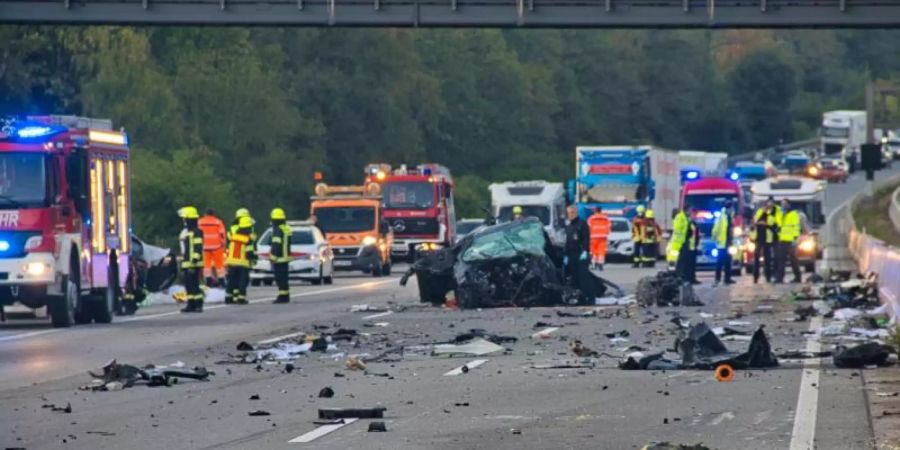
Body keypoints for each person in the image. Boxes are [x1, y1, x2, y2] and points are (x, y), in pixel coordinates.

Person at [177, 206, 205, 313]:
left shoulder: (196, 232)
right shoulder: (188, 232)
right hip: (187, 263)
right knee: (188, 286)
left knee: (194, 285)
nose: (183, 220)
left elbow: (198, 248)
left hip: (193, 264)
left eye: (184, 218)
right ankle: (191, 305)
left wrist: (194, 261)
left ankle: (198, 305)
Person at [564, 205, 594, 298]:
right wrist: (566, 255)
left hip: (581, 254)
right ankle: (577, 296)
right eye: (569, 213)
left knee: (583, 277)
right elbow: (568, 242)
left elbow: (586, 238)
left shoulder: (582, 224)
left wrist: (585, 250)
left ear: (576, 213)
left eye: (572, 213)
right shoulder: (569, 226)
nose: (571, 215)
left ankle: (588, 296)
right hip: (571, 255)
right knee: (574, 277)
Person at [225, 215, 255, 304]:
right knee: (242, 281)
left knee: (231, 281)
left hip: (231, 262)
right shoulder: (248, 239)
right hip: (242, 262)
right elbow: (249, 253)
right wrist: (253, 259)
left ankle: (228, 298)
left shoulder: (234, 236)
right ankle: (241, 298)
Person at [752, 197, 779, 283]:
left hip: (767, 239)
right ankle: (756, 276)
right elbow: (755, 221)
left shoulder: (774, 213)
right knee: (756, 259)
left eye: (771, 203)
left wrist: (765, 224)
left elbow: (773, 224)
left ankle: (768, 276)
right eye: (768, 203)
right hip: (758, 238)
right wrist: (762, 216)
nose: (769, 204)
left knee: (768, 259)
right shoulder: (760, 211)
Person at [775, 199, 802, 283]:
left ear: (789, 205)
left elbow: (796, 226)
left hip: (790, 240)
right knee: (781, 260)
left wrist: (795, 238)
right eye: (782, 204)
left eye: (785, 204)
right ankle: (780, 278)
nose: (783, 206)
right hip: (782, 240)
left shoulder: (793, 214)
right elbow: (779, 225)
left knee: (793, 260)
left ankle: (797, 277)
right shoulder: (781, 214)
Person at [269, 208, 293, 304]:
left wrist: (273, 257)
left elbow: (276, 244)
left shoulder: (277, 230)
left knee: (280, 278)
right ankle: (285, 296)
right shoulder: (286, 228)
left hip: (279, 258)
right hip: (286, 257)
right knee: (284, 278)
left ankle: (282, 297)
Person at [198, 208, 227, 287]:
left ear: (205, 214)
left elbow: (197, 233)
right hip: (217, 247)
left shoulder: (200, 222)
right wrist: (223, 245)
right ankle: (222, 282)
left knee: (207, 265)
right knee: (219, 265)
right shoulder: (218, 222)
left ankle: (208, 281)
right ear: (213, 214)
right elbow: (222, 235)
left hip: (205, 247)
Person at [673, 204, 700, 284]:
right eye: (690, 211)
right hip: (682, 243)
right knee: (682, 263)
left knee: (690, 263)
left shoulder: (688, 219)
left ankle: (691, 278)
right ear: (686, 210)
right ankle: (680, 278)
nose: (691, 212)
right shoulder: (681, 217)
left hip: (690, 244)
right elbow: (679, 230)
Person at [712, 201, 736, 286]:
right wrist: (715, 239)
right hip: (722, 243)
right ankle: (717, 279)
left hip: (728, 243)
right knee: (720, 262)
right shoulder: (722, 217)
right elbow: (715, 229)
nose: (733, 210)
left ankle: (727, 279)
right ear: (728, 208)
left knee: (728, 262)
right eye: (732, 208)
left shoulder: (729, 217)